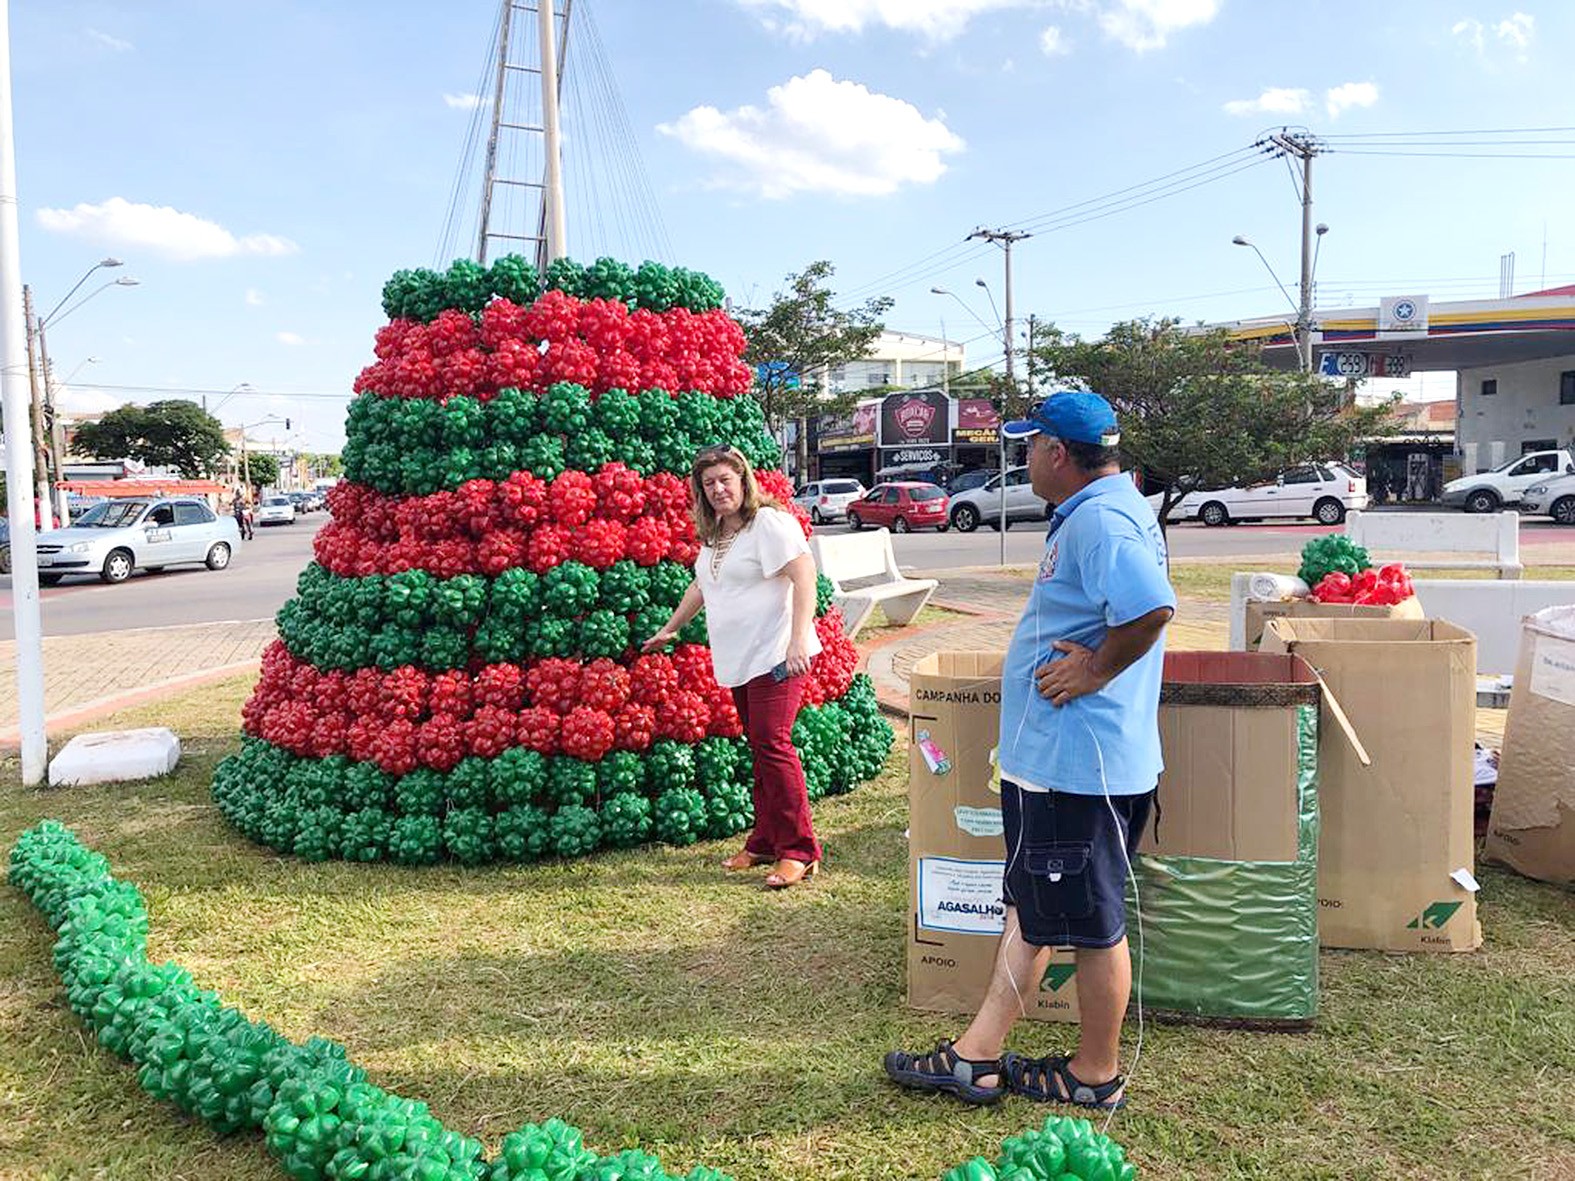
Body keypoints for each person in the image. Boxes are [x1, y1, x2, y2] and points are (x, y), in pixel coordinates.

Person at [884, 391, 1176, 1110]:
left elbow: (1150, 607)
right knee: (1036, 906)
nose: (1022, 459)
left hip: (1074, 769)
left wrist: (1094, 667)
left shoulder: (1101, 519)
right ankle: (975, 1057)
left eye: (1027, 445)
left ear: (1055, 452)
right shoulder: (1104, 507)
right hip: (1070, 763)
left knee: (1092, 922)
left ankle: (1094, 1073)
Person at [642, 443, 825, 889]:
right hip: (741, 660)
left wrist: (799, 638)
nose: (719, 489)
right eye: (709, 484)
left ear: (743, 480)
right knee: (760, 748)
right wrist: (671, 627)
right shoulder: (719, 535)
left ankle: (800, 850)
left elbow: (804, 575)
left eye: (726, 479)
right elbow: (702, 586)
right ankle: (764, 839)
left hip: (777, 656)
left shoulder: (769, 523)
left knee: (772, 743)